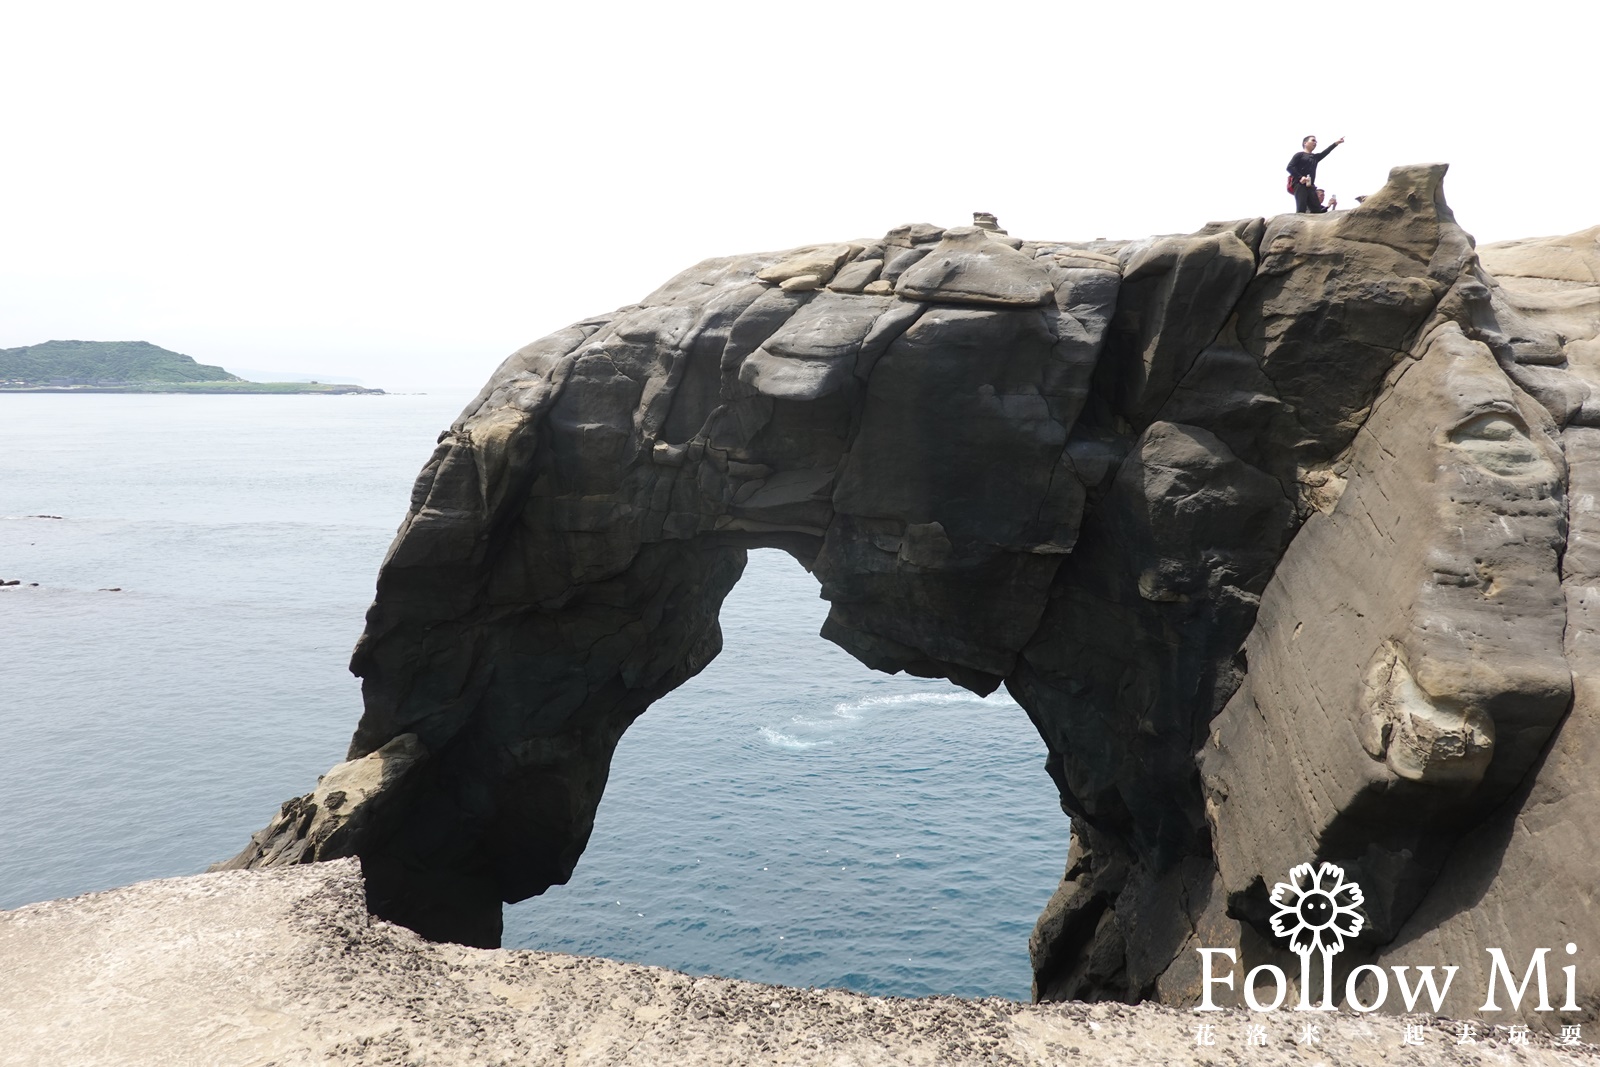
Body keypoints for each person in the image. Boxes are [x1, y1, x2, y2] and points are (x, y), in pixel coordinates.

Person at [1287, 135, 1344, 213]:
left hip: (1310, 186)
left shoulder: (1315, 157)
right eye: (1313, 140)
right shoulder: (1299, 155)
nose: (1315, 142)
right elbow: (1289, 167)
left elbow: (1326, 152)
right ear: (1305, 143)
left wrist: (1336, 143)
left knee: (1316, 209)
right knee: (1301, 208)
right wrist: (1300, 177)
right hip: (1299, 184)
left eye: (1316, 141)